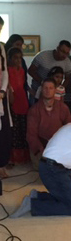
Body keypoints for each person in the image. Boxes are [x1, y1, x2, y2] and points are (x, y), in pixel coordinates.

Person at [26, 78, 71, 169]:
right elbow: (31, 135)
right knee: (44, 171)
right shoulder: (34, 110)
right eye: (45, 88)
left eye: (51, 88)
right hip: (41, 148)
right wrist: (41, 150)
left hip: (58, 146)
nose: (48, 91)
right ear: (41, 90)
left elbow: (69, 129)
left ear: (55, 90)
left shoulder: (63, 108)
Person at [7, 47, 30, 164]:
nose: (17, 60)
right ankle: (13, 158)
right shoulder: (7, 71)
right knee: (14, 130)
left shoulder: (21, 71)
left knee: (23, 129)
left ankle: (24, 157)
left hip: (23, 101)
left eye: (20, 58)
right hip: (13, 101)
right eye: (15, 58)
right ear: (10, 58)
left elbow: (23, 86)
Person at [5, 34, 33, 105]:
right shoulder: (3, 59)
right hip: (7, 92)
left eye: (21, 45)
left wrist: (28, 89)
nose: (19, 47)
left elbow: (24, 78)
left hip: (21, 91)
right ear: (10, 44)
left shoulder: (22, 61)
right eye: (17, 45)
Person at [0, 16, 12, 179]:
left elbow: (5, 73)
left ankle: (1, 165)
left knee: (4, 133)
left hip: (0, 95)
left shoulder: (1, 47)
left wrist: (2, 91)